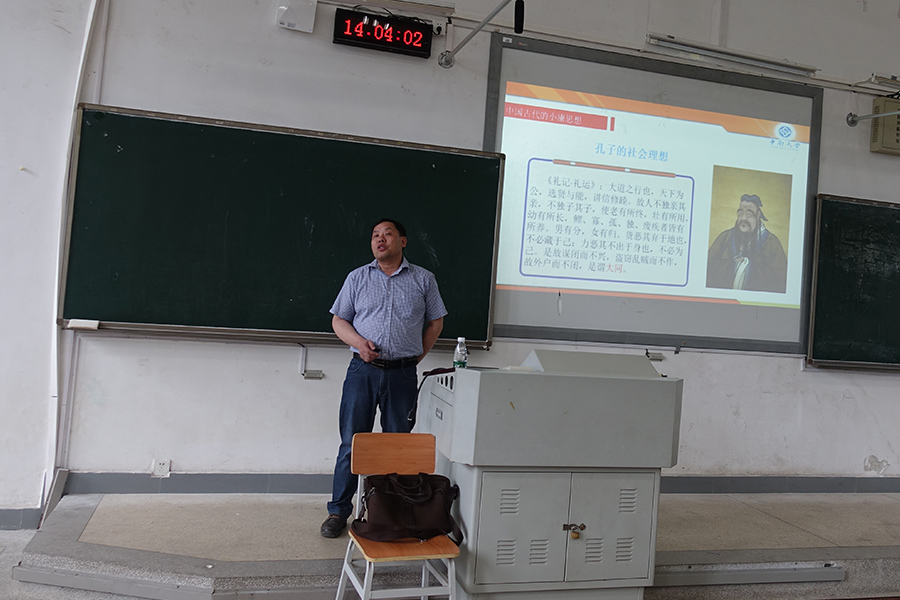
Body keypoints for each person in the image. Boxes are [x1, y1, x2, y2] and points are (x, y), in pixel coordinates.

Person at [320, 218, 447, 538]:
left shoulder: (423, 279)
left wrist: (416, 356)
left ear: (402, 241)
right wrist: (359, 343)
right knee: (351, 443)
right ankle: (338, 511)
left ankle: (393, 512)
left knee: (397, 446)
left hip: (402, 375)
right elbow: (339, 320)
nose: (380, 239)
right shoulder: (358, 277)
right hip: (362, 372)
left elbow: (436, 322)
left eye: (387, 234)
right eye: (375, 235)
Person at [706, 194, 787, 293]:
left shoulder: (771, 242)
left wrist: (748, 266)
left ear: (758, 215)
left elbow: (780, 278)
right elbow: (707, 267)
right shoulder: (725, 237)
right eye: (740, 213)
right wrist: (733, 265)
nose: (743, 218)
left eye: (749, 214)